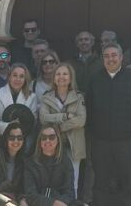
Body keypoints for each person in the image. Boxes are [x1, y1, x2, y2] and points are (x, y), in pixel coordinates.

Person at [86, 43, 131, 206]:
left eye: (114, 55)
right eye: (106, 56)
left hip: (127, 141)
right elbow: (90, 111)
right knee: (101, 181)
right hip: (101, 142)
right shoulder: (95, 79)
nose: (110, 59)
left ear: (121, 57)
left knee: (129, 182)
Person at [38, 63, 87, 198]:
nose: (61, 77)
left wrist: (58, 127)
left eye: (65, 74)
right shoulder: (46, 97)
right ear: (54, 78)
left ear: (71, 78)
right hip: (52, 145)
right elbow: (43, 118)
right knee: (53, 181)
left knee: (73, 181)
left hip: (73, 145)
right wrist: (65, 116)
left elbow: (81, 120)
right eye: (58, 74)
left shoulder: (78, 97)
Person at [24, 124, 77, 206]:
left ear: (58, 140)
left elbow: (69, 192)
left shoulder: (66, 162)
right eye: (44, 138)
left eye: (51, 137)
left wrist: (60, 203)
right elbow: (30, 194)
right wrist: (52, 203)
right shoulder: (30, 163)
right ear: (40, 141)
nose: (47, 140)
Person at [70, 30, 102, 94]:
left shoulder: (101, 63)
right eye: (80, 40)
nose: (83, 42)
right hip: (76, 100)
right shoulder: (70, 64)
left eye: (86, 39)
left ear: (92, 43)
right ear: (77, 44)